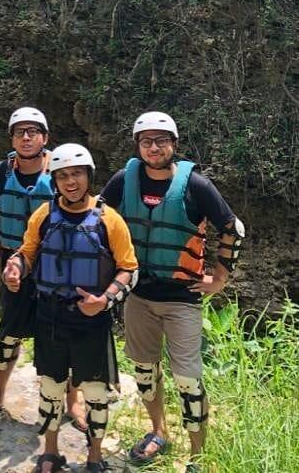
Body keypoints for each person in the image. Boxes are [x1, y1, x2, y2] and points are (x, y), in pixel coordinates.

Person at [100, 111, 245, 470]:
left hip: (182, 298)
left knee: (187, 378)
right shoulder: (123, 180)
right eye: (146, 141)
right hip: (139, 295)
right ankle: (158, 432)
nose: (154, 147)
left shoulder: (196, 185)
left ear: (174, 145)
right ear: (138, 145)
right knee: (145, 371)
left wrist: (220, 278)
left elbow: (232, 227)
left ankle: (197, 455)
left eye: (161, 141)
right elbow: (97, 220)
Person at [4, 143, 138, 473]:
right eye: (62, 176)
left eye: (76, 174)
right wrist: (15, 268)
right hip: (50, 316)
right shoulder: (44, 215)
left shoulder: (110, 220)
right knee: (50, 388)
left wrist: (105, 299)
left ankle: (94, 456)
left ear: (88, 176)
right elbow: (28, 252)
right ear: (55, 181)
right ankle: (49, 452)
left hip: (91, 320)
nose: (70, 182)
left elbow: (130, 269)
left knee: (95, 393)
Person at [0, 108, 86, 430]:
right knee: (9, 333)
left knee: (64, 334)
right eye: (20, 132)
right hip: (15, 264)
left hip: (56, 266)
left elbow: (80, 213)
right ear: (11, 138)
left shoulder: (60, 171)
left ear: (45, 138)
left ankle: (73, 401)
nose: (26, 137)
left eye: (33, 132)